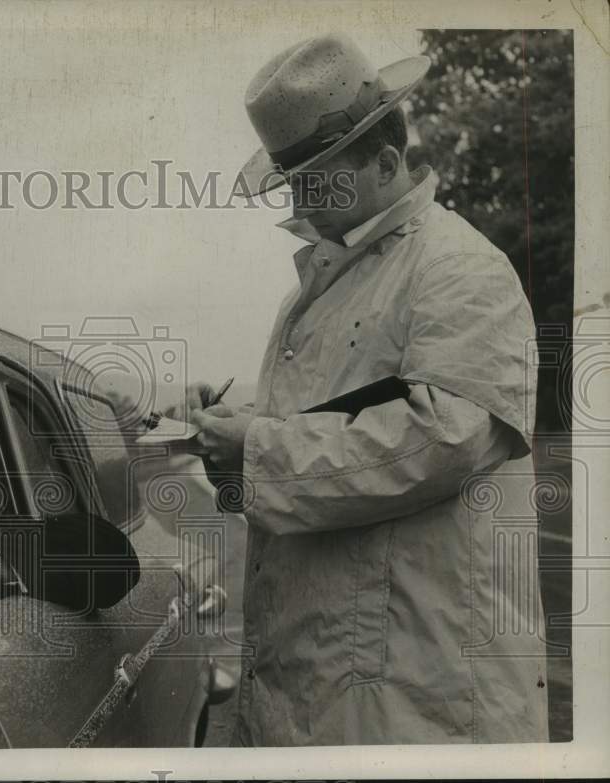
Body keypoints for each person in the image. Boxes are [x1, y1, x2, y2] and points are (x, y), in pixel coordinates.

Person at [186, 33, 549, 745]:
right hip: (322, 688)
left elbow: (447, 435)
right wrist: (237, 438)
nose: (299, 201)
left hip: (419, 700)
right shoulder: (313, 292)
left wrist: (256, 450)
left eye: (317, 181)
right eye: (294, 182)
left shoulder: (461, 267)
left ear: (387, 163)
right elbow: (329, 426)